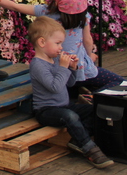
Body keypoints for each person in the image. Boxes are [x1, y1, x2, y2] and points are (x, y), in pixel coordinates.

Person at [0, 0, 123, 92]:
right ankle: (95, 98)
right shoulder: (83, 17)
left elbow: (15, 7)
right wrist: (90, 56)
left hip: (57, 75)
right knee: (119, 82)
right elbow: (88, 41)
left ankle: (82, 95)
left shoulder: (46, 12)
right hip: (82, 70)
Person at [27, 16, 114, 168]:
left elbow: (69, 84)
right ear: (42, 42)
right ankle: (90, 149)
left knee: (96, 110)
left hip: (64, 105)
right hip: (46, 110)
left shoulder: (54, 60)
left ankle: (78, 140)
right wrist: (63, 67)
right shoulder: (37, 65)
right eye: (58, 43)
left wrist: (72, 69)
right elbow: (55, 87)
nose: (61, 47)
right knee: (70, 116)